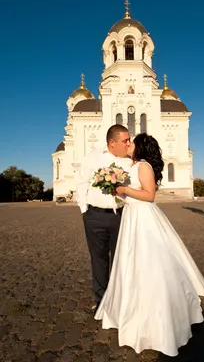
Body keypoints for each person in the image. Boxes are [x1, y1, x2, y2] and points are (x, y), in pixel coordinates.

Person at [95, 133, 204, 357]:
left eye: (132, 142)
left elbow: (149, 195)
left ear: (140, 147)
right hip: (132, 216)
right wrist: (118, 191)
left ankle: (157, 317)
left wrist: (124, 190)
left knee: (149, 261)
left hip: (143, 218)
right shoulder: (135, 165)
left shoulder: (144, 166)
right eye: (126, 141)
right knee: (130, 262)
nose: (128, 144)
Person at [75, 124, 132, 312]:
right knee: (98, 259)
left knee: (120, 259)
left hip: (120, 216)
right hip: (95, 216)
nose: (128, 143)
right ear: (112, 142)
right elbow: (82, 181)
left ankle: (118, 302)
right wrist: (85, 210)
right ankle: (101, 302)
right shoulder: (94, 156)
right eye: (125, 140)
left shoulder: (129, 160)